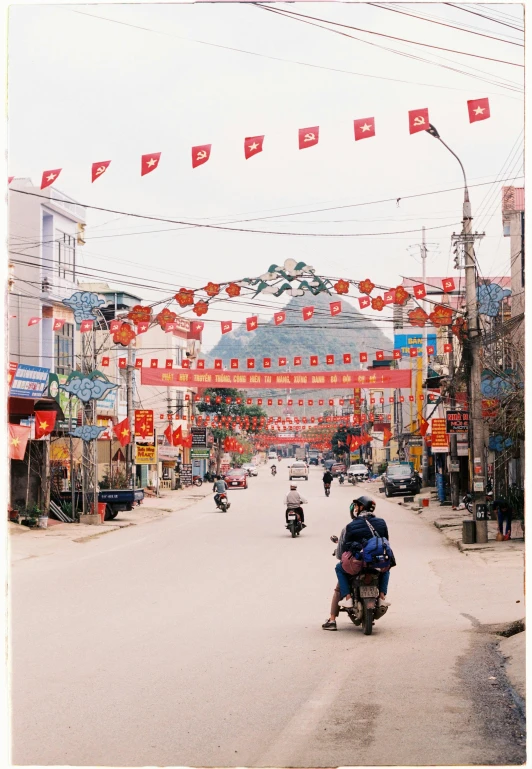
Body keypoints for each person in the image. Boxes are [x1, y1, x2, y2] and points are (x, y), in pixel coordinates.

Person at [322, 495, 392, 631]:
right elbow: (386, 542)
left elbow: (343, 550)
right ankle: (382, 595)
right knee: (386, 567)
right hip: (377, 563)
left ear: (361, 508)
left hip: (357, 565)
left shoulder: (351, 526)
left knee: (339, 569)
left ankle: (335, 615)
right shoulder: (382, 523)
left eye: (357, 506)